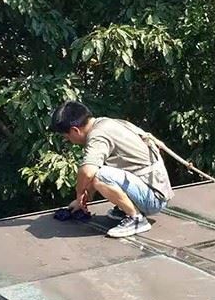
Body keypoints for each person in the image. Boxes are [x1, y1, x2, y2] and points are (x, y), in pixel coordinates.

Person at [49, 101, 174, 238]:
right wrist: (85, 199)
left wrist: (79, 195)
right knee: (97, 171)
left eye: (67, 137)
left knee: (98, 174)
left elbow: (88, 172)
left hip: (153, 199)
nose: (68, 140)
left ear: (75, 130)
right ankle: (126, 208)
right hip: (157, 189)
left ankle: (136, 219)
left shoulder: (98, 136)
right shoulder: (107, 123)